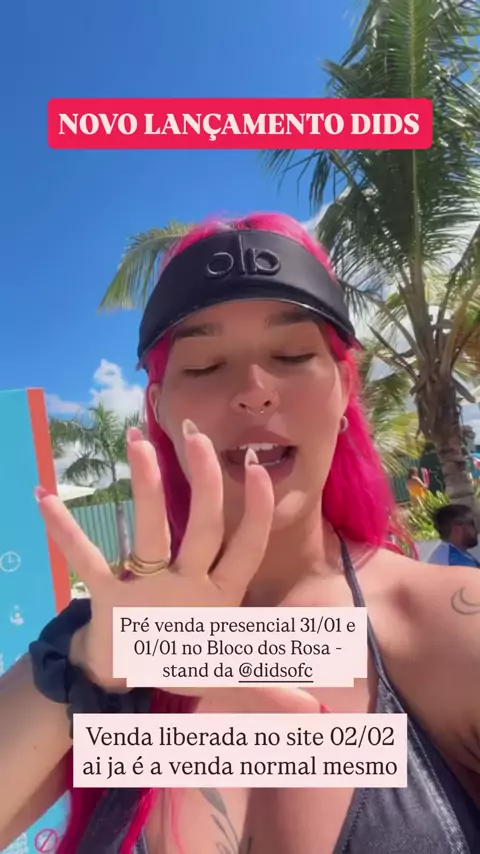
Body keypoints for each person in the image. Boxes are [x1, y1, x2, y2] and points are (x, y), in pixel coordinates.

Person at [2, 212, 480, 854]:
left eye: (291, 356)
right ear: (160, 408)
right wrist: (94, 662)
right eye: (204, 366)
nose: (254, 392)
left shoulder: (447, 630)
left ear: (344, 387)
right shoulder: (98, 646)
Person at [428, 503, 480, 568]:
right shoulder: (455, 561)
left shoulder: (446, 554)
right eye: (472, 523)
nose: (477, 531)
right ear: (457, 529)